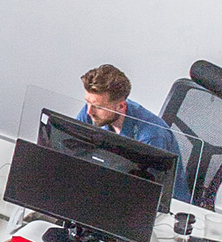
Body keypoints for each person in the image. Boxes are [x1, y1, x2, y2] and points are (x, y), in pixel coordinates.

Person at [79, 62, 190, 200]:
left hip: (164, 205)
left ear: (121, 106)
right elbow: (75, 149)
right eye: (88, 102)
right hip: (113, 185)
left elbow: (146, 191)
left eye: (98, 107)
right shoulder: (91, 111)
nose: (89, 111)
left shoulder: (152, 136)